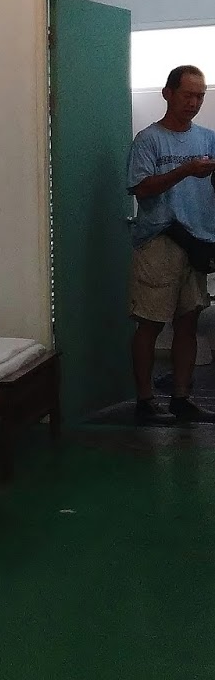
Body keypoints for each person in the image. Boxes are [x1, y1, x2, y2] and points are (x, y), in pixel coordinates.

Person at [128, 65, 215, 424]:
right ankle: (145, 400)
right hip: (158, 242)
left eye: (200, 96)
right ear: (168, 93)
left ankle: (182, 397)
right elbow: (141, 188)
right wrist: (185, 170)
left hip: (198, 241)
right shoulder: (148, 140)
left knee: (188, 322)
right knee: (149, 324)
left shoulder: (208, 138)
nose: (193, 103)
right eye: (187, 95)